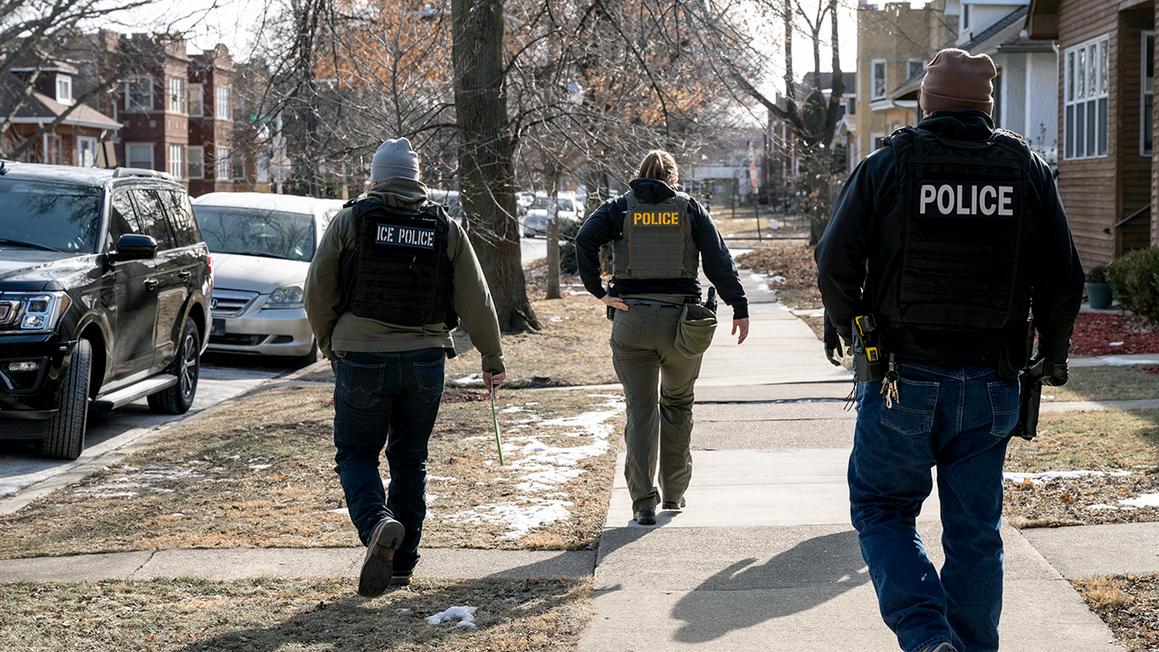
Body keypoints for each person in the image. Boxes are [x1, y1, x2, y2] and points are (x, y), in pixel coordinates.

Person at [816, 49, 1084, 652]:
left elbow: (835, 261)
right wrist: (1056, 352)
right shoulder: (1028, 170)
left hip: (899, 378)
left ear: (927, 102)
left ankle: (928, 637)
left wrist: (853, 326)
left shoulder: (888, 166)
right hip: (993, 380)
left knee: (884, 509)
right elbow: (1065, 278)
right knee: (974, 533)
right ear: (986, 108)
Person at [304, 137, 506, 598]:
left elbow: (317, 289)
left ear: (375, 178)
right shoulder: (444, 226)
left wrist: (330, 342)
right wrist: (492, 358)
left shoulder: (351, 220)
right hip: (424, 361)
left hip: (361, 358)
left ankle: (377, 524)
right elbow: (477, 298)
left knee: (356, 454)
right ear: (417, 179)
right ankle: (401, 565)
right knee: (410, 459)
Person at [575, 150, 750, 527]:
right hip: (681, 326)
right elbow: (718, 260)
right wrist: (739, 305)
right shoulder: (689, 210)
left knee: (641, 411)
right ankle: (674, 493)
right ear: (674, 178)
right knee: (678, 404)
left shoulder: (619, 209)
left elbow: (584, 240)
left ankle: (642, 502)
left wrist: (599, 291)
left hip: (631, 320)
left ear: (638, 175)